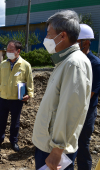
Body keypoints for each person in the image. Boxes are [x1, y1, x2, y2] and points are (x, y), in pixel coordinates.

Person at [32, 10, 92, 170]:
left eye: (49, 34)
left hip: (53, 149)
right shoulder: (65, 61)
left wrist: (57, 149)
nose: (46, 39)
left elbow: (70, 109)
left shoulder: (74, 64)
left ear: (62, 36)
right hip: (48, 144)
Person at [0, 40, 34, 152]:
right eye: (7, 49)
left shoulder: (25, 65)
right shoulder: (3, 64)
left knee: (15, 122)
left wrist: (30, 94)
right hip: (3, 98)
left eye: (11, 50)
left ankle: (13, 141)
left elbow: (30, 81)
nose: (8, 52)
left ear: (18, 51)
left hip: (17, 99)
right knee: (1, 121)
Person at [76, 24, 100, 170]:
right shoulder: (73, 61)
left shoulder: (95, 64)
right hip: (72, 109)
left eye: (75, 41)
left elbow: (89, 94)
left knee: (82, 143)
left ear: (86, 42)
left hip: (86, 111)